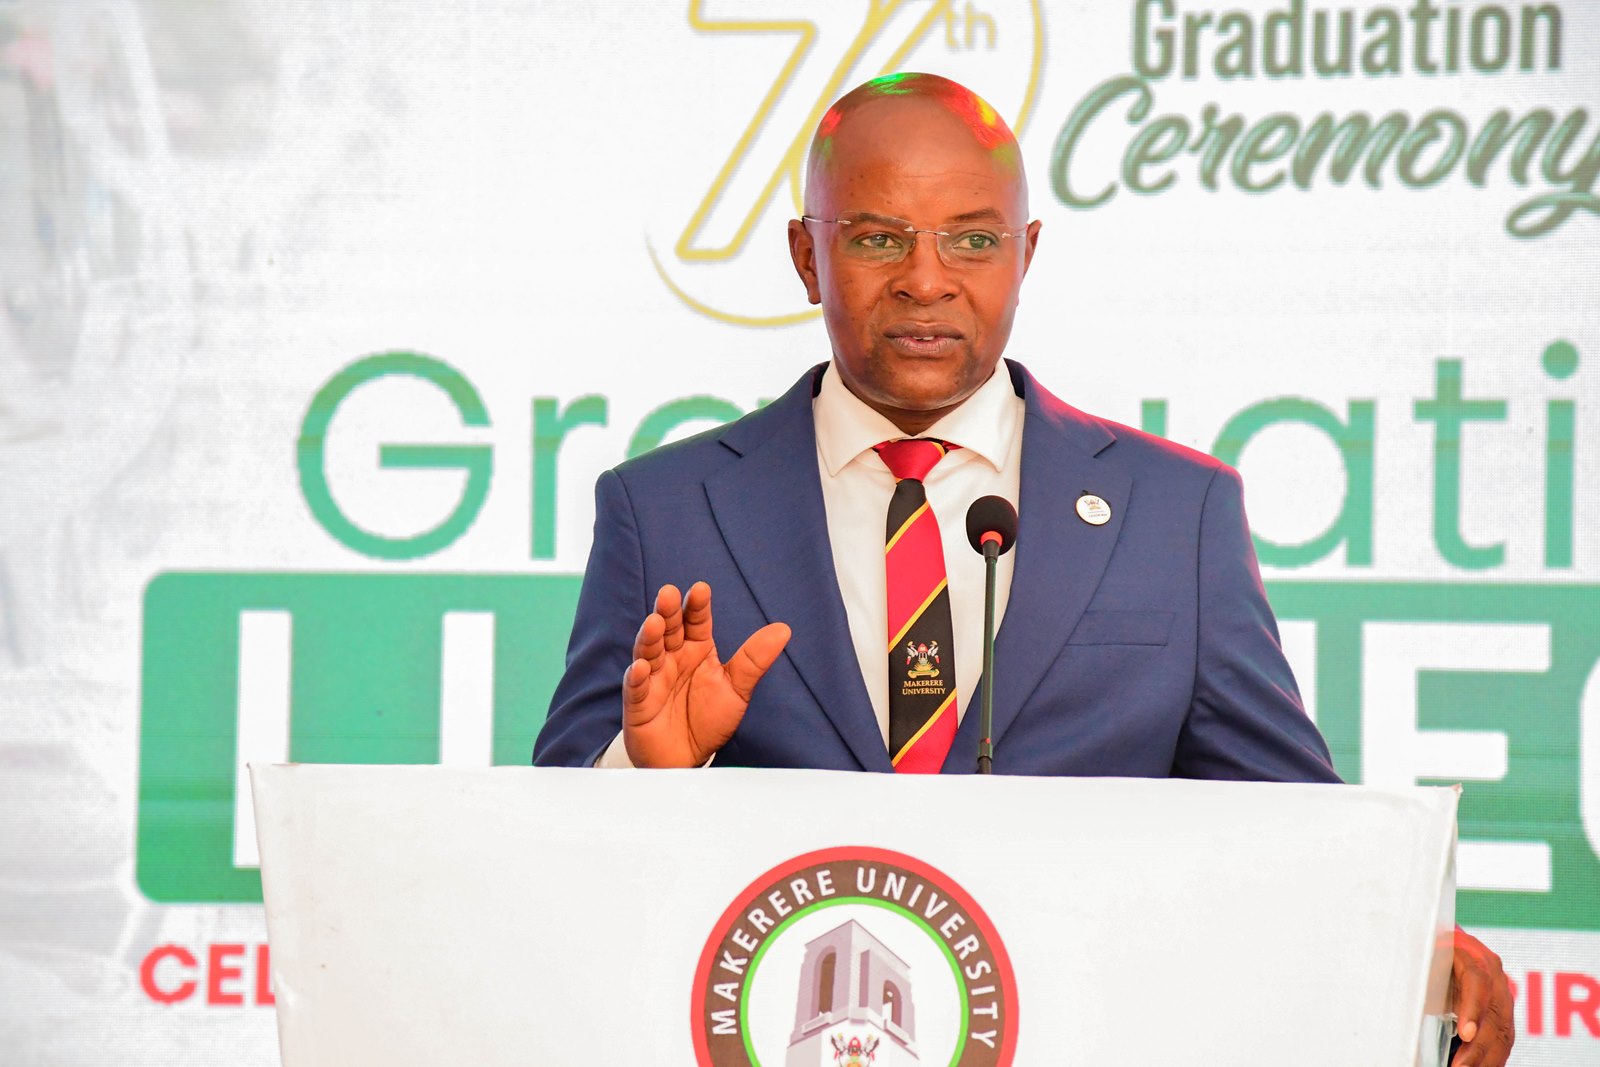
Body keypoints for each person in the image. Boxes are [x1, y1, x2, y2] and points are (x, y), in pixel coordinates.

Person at [532, 73, 1513, 1065]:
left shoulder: (1176, 513)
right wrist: (648, 770)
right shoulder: (665, 509)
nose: (925, 280)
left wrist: (1417, 943)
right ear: (805, 256)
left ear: (1025, 253)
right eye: (877, 238)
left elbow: (1288, 820)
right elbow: (548, 856)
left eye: (972, 240)